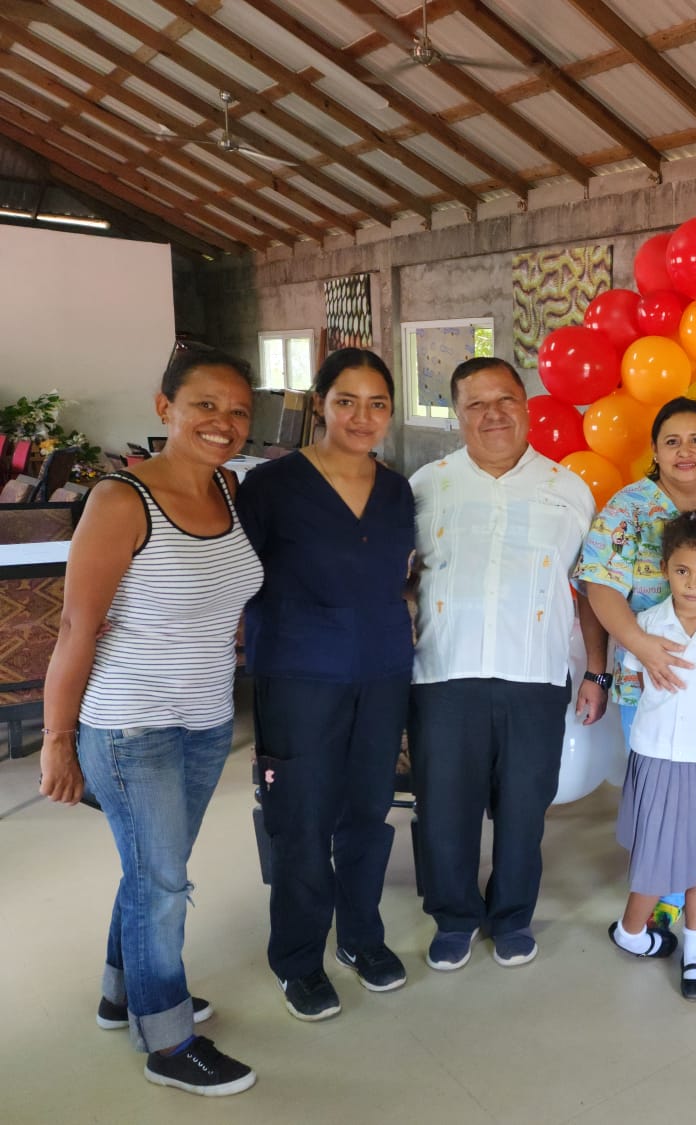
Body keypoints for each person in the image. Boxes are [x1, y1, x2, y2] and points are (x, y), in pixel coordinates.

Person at [38, 345, 263, 1096]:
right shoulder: (120, 500)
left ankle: (120, 992)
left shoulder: (229, 488)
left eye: (237, 410)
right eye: (204, 405)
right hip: (131, 725)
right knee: (162, 883)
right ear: (164, 406)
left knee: (151, 874)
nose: (223, 423)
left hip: (204, 719)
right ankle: (167, 1041)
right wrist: (57, 740)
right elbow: (77, 629)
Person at [409, 357, 608, 972]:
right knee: (446, 807)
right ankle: (454, 916)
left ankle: (513, 915)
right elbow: (400, 578)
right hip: (444, 673)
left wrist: (597, 670)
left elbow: (594, 589)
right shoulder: (425, 486)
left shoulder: (568, 489)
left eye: (506, 400)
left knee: (525, 808)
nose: (493, 414)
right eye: (475, 404)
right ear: (457, 415)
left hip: (535, 675)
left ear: (526, 406)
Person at [236, 348, 414, 1020]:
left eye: (376, 403)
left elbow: (403, 573)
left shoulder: (397, 489)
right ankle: (299, 957)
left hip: (381, 668)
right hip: (298, 671)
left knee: (367, 813)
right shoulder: (273, 487)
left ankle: (361, 937)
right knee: (303, 820)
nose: (362, 416)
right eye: (347, 400)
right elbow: (235, 574)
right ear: (320, 405)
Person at [575, 397, 696, 948]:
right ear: (655, 451)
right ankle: (664, 900)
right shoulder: (628, 507)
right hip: (649, 680)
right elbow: (598, 586)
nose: (685, 451)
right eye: (671, 441)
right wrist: (637, 649)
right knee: (661, 800)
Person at [609, 510, 696, 1001]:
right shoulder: (645, 625)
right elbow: (632, 681)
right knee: (656, 857)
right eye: (682, 571)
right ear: (666, 568)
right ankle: (631, 930)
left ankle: (695, 952)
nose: (694, 583)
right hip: (657, 755)